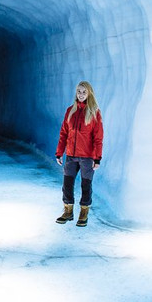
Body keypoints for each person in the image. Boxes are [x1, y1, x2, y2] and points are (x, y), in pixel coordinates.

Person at [54, 81, 103, 227]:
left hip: (87, 157)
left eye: (84, 92)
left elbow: (98, 138)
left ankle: (83, 213)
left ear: (89, 93)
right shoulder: (70, 111)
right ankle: (68, 212)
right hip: (71, 156)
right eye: (79, 92)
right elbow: (63, 133)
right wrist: (59, 153)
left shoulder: (94, 112)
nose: (81, 95)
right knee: (67, 184)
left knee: (86, 185)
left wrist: (97, 158)